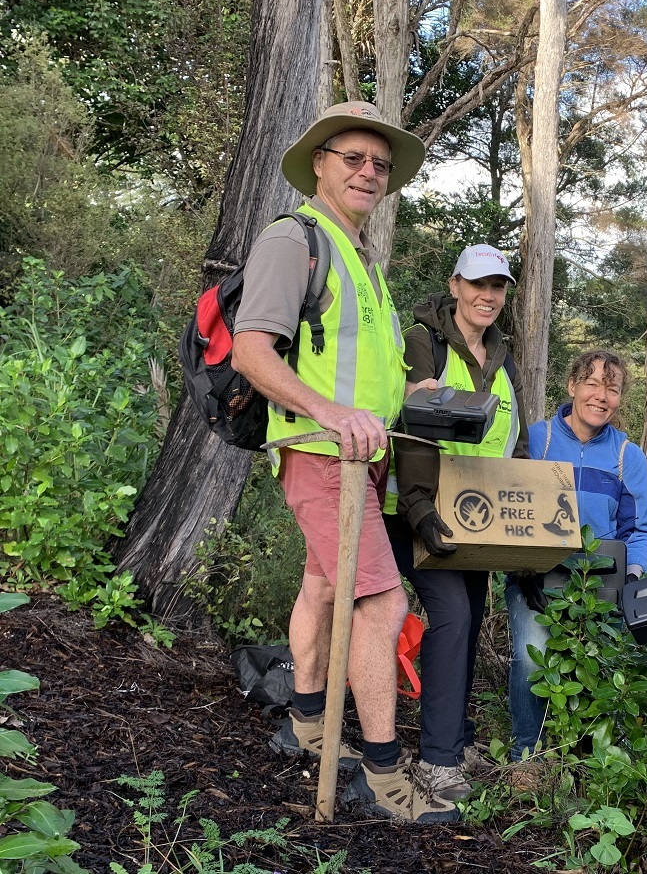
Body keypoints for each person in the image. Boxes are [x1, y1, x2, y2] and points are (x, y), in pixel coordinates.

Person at [230, 101, 456, 822]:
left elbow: (356, 370)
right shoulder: (293, 238)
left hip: (360, 457)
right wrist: (329, 413)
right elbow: (252, 350)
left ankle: (306, 720)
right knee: (383, 601)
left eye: (380, 164)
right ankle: (386, 778)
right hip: (321, 452)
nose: (368, 170)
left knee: (324, 587)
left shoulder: (363, 260)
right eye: (352, 157)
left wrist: (412, 390)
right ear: (320, 164)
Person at [385, 244, 530, 804]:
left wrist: (518, 511)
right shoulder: (425, 340)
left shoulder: (501, 353)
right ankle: (437, 761)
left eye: (497, 287)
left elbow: (511, 434)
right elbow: (417, 423)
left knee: (472, 620)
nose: (488, 296)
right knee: (452, 615)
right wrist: (419, 510)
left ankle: (458, 737)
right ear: (454, 286)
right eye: (478, 285)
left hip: (478, 515)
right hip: (418, 509)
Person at [506, 349, 647, 762]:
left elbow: (639, 530)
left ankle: (586, 760)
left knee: (598, 668)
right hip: (535, 577)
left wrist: (632, 576)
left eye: (612, 388)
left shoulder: (628, 456)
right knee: (531, 659)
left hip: (600, 582)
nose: (601, 396)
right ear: (572, 386)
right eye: (591, 384)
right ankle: (527, 756)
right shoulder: (537, 439)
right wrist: (524, 570)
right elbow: (510, 511)